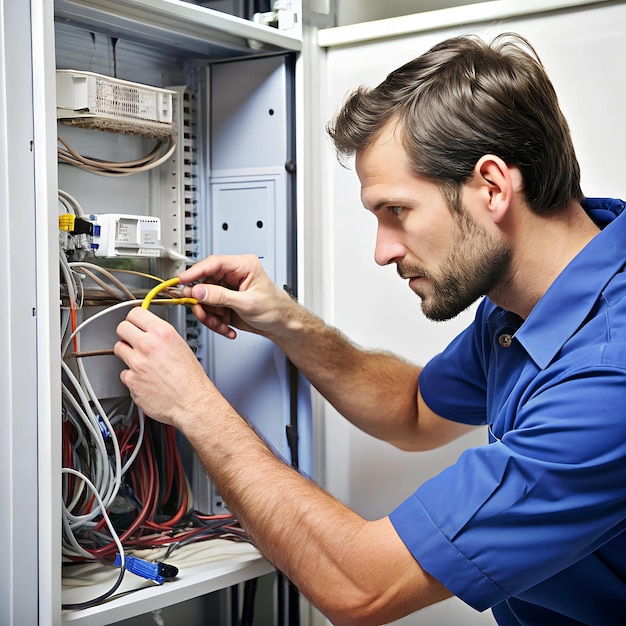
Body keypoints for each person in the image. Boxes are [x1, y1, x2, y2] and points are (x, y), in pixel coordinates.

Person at [114, 33, 626, 625]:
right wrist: (288, 322)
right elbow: (412, 409)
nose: (383, 251)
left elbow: (361, 587)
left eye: (396, 211)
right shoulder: (532, 300)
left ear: (491, 186)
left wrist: (195, 406)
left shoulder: (606, 373)